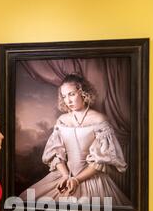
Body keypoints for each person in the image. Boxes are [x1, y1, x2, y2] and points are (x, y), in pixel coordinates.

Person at [20, 73, 129, 204]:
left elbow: (100, 160)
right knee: (27, 201)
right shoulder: (62, 120)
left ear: (83, 92)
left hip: (91, 179)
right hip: (64, 175)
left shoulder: (99, 120)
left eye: (71, 94)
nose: (68, 100)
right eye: (64, 96)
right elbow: (56, 154)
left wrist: (76, 180)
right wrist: (66, 175)